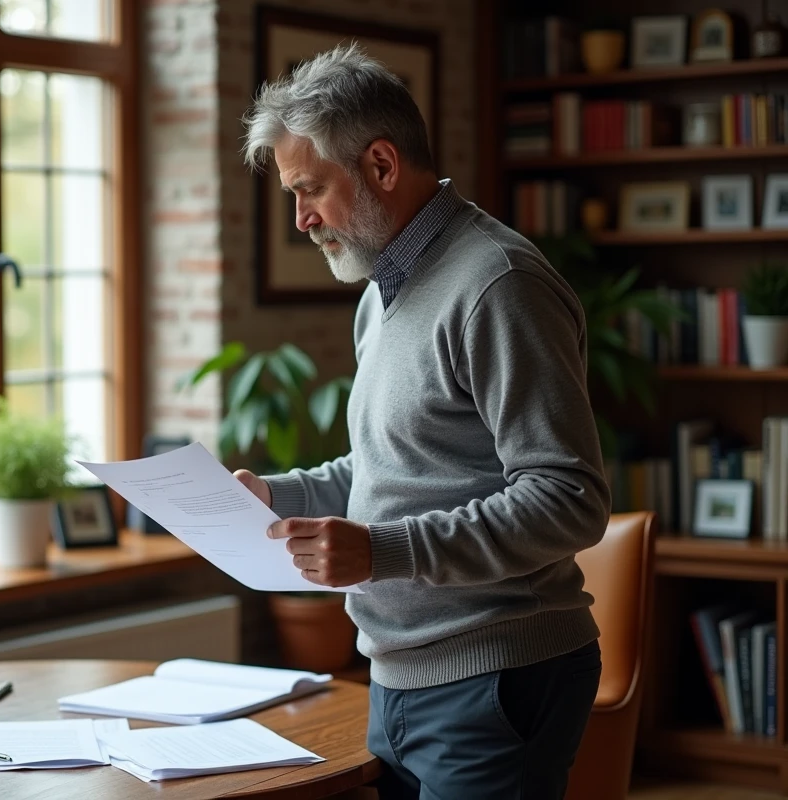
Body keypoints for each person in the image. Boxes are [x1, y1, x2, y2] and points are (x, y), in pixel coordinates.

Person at [237, 44, 610, 799]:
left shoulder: (498, 284)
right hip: (400, 678)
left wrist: (382, 551)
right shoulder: (383, 290)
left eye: (310, 189)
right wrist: (277, 497)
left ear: (380, 164)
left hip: (495, 677)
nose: (302, 218)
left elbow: (569, 497)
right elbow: (391, 464)